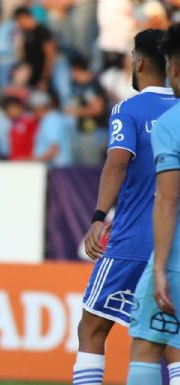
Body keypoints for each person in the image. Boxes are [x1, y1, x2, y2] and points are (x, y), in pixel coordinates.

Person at [75, 29, 176, 385]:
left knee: (91, 327)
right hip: (175, 247)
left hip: (132, 242)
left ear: (139, 61)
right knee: (170, 340)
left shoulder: (129, 110)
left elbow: (117, 163)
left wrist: (99, 218)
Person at [126, 23, 180, 385]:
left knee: (147, 343)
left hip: (177, 259)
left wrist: (160, 267)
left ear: (173, 67)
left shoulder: (170, 122)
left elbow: (168, 198)